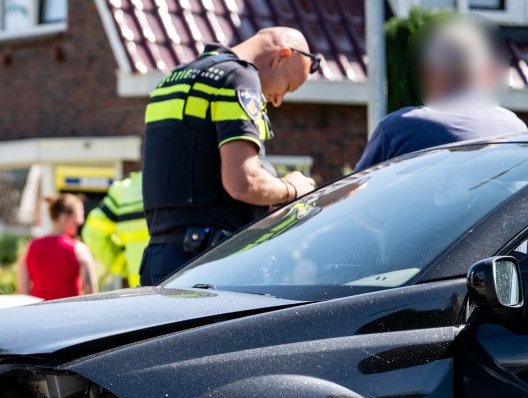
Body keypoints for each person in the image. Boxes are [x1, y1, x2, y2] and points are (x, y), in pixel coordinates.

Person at [139, 29, 319, 286]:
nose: (279, 101)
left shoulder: (174, 78)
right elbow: (243, 182)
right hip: (209, 265)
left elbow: (195, 171)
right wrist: (291, 188)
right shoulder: (237, 77)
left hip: (160, 260)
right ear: (281, 56)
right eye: (287, 87)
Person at [355, 18, 525, 170]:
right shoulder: (515, 128)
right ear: (481, 71)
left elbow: (353, 196)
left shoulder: (398, 128)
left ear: (431, 70)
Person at [17, 192, 100, 300]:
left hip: (37, 313)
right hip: (71, 313)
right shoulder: (79, 249)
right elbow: (91, 292)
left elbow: (23, 291)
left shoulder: (30, 247)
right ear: (65, 217)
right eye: (79, 216)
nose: (81, 222)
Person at [80, 171, 148, 289]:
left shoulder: (125, 189)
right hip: (183, 288)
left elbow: (92, 234)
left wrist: (122, 264)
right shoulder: (185, 178)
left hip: (140, 289)